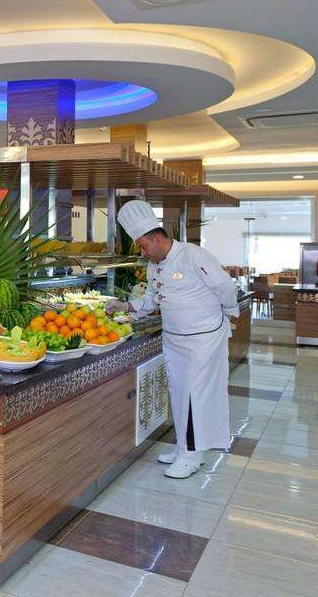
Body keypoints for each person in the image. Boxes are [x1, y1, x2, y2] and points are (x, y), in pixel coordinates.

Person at [105, 200, 237, 479]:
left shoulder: (193, 255)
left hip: (203, 340)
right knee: (178, 395)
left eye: (143, 246)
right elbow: (152, 299)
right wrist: (126, 306)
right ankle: (183, 448)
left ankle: (191, 457)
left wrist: (227, 313)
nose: (142, 253)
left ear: (157, 238)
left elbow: (224, 286)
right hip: (174, 340)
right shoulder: (155, 266)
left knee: (195, 397)